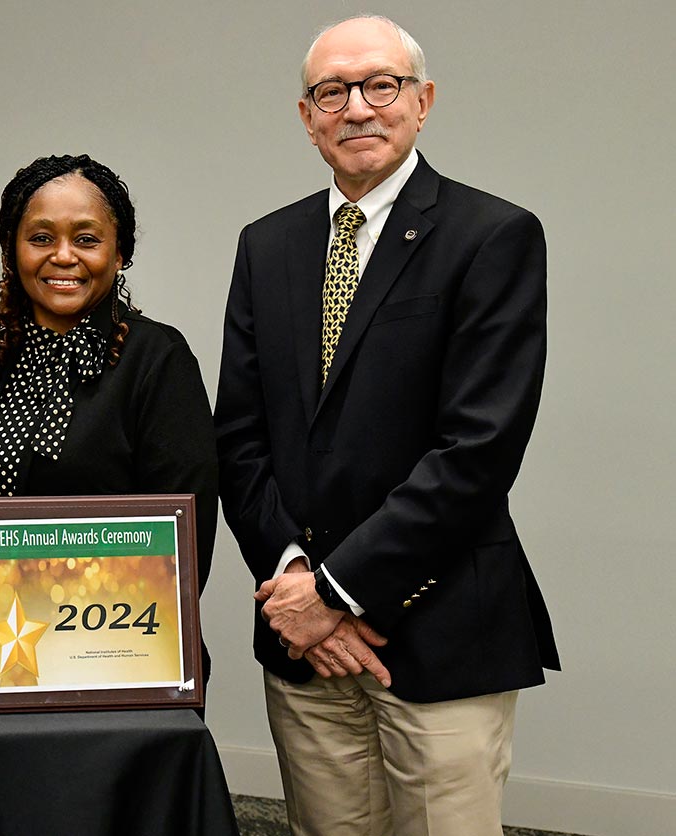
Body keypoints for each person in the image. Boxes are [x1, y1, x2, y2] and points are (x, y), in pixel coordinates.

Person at [214, 16, 560, 836]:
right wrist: (300, 585)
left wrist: (335, 593)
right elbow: (239, 439)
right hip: (306, 647)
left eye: (381, 85)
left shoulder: (493, 236)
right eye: (333, 91)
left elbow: (477, 452)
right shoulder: (267, 246)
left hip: (440, 637)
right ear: (308, 117)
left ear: (422, 101)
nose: (358, 108)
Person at [0, 154, 219, 830]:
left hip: (115, 674)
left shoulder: (157, 361)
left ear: (120, 250)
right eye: (40, 237)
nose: (63, 256)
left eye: (87, 237)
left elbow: (187, 537)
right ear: (13, 249)